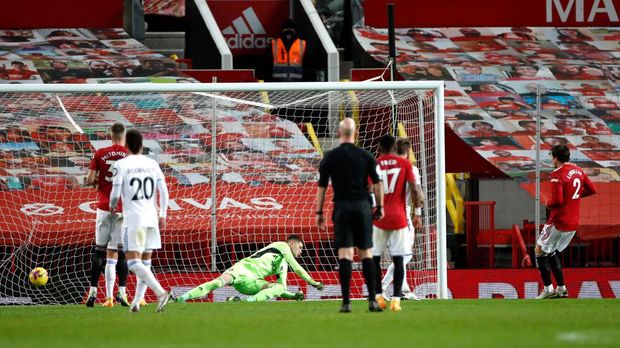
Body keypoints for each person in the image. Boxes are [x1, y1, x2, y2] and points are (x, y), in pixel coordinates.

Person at [315, 118, 384, 313]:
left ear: (339, 133)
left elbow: (321, 187)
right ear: (355, 133)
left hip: (342, 207)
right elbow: (377, 184)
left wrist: (319, 212)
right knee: (366, 253)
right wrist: (380, 207)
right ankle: (372, 300)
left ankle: (346, 302)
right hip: (362, 206)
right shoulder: (366, 155)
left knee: (345, 254)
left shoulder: (330, 157)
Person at [109, 129, 172, 312]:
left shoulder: (121, 164)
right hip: (151, 217)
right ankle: (136, 303)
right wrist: (163, 215)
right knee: (145, 262)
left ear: (125, 145)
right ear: (142, 146)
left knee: (133, 263)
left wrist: (113, 205)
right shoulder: (152, 163)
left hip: (134, 219)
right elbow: (164, 191)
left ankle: (160, 292)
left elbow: (115, 191)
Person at [174, 235, 323, 303]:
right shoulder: (281, 245)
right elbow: (297, 268)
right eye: (300, 247)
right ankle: (181, 298)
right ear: (291, 243)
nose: (301, 251)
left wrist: (292, 297)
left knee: (278, 287)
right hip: (242, 269)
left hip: (252, 283)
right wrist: (312, 281)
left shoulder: (283, 266)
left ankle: (247, 301)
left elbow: (280, 289)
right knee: (217, 282)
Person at [536, 145, 596, 299]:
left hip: (558, 220)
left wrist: (548, 202)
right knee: (551, 252)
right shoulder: (579, 171)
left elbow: (557, 200)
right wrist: (573, 197)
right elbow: (592, 190)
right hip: (573, 221)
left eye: (552, 157)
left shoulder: (557, 173)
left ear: (555, 158)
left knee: (539, 250)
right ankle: (561, 288)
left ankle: (548, 289)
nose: (551, 160)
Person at [84, 123, 131, 308]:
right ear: (124, 136)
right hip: (122, 209)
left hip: (104, 207)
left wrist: (98, 181)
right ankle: (122, 293)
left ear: (110, 135)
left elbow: (89, 180)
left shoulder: (100, 153)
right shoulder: (130, 155)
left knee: (99, 251)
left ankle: (93, 292)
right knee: (121, 252)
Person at [376, 137, 424, 303]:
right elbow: (417, 192)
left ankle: (395, 287)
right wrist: (418, 212)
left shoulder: (381, 165)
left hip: (381, 214)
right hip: (401, 215)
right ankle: (390, 287)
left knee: (397, 255)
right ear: (409, 152)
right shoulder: (410, 168)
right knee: (405, 255)